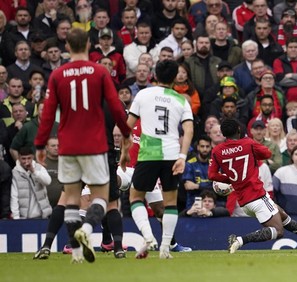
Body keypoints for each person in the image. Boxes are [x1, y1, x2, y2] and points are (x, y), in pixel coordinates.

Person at [34, 28, 131, 264]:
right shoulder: (99, 72)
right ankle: (86, 230)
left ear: (67, 47)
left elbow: (47, 113)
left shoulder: (57, 75)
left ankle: (76, 252)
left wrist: (40, 143)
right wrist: (126, 133)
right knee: (101, 197)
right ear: (89, 45)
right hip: (95, 145)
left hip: (68, 146)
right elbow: (116, 107)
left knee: (71, 198)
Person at [208, 118, 297, 253]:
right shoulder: (248, 143)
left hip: (244, 202)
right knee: (279, 231)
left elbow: (212, 175)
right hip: (257, 195)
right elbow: (268, 153)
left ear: (223, 134)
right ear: (239, 130)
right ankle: (239, 241)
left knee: (281, 214)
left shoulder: (217, 151)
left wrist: (231, 180)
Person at [127, 60, 194, 260]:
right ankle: (165, 247)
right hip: (172, 154)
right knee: (171, 203)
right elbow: (189, 130)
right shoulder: (182, 100)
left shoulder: (143, 94)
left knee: (136, 198)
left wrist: (123, 153)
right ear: (175, 78)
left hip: (148, 154)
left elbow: (127, 126)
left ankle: (148, 236)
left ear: (154, 75)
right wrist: (183, 156)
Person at [10, 146, 52, 219]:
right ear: (19, 158)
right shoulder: (15, 173)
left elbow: (48, 181)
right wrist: (16, 218)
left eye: (29, 158)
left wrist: (34, 171)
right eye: (23, 158)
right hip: (24, 217)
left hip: (42, 216)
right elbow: (14, 196)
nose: (26, 161)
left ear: (32, 157)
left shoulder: (39, 168)